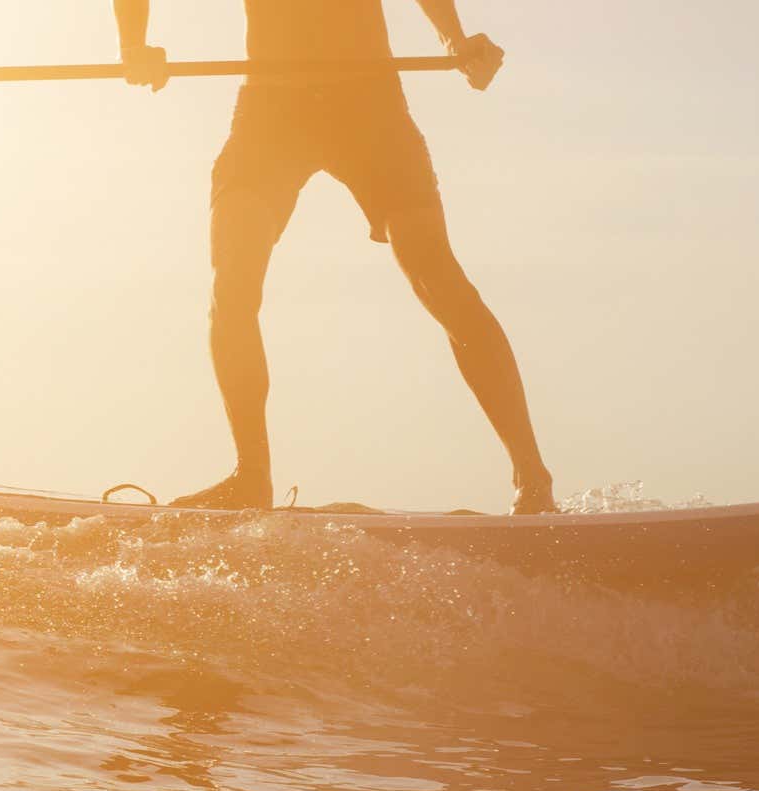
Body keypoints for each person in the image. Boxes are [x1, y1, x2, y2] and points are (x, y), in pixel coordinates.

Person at [115, 0, 558, 515]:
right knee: (232, 286)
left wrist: (453, 40)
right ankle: (251, 477)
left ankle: (533, 480)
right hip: (271, 114)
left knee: (437, 278)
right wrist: (133, 45)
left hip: (371, 112)